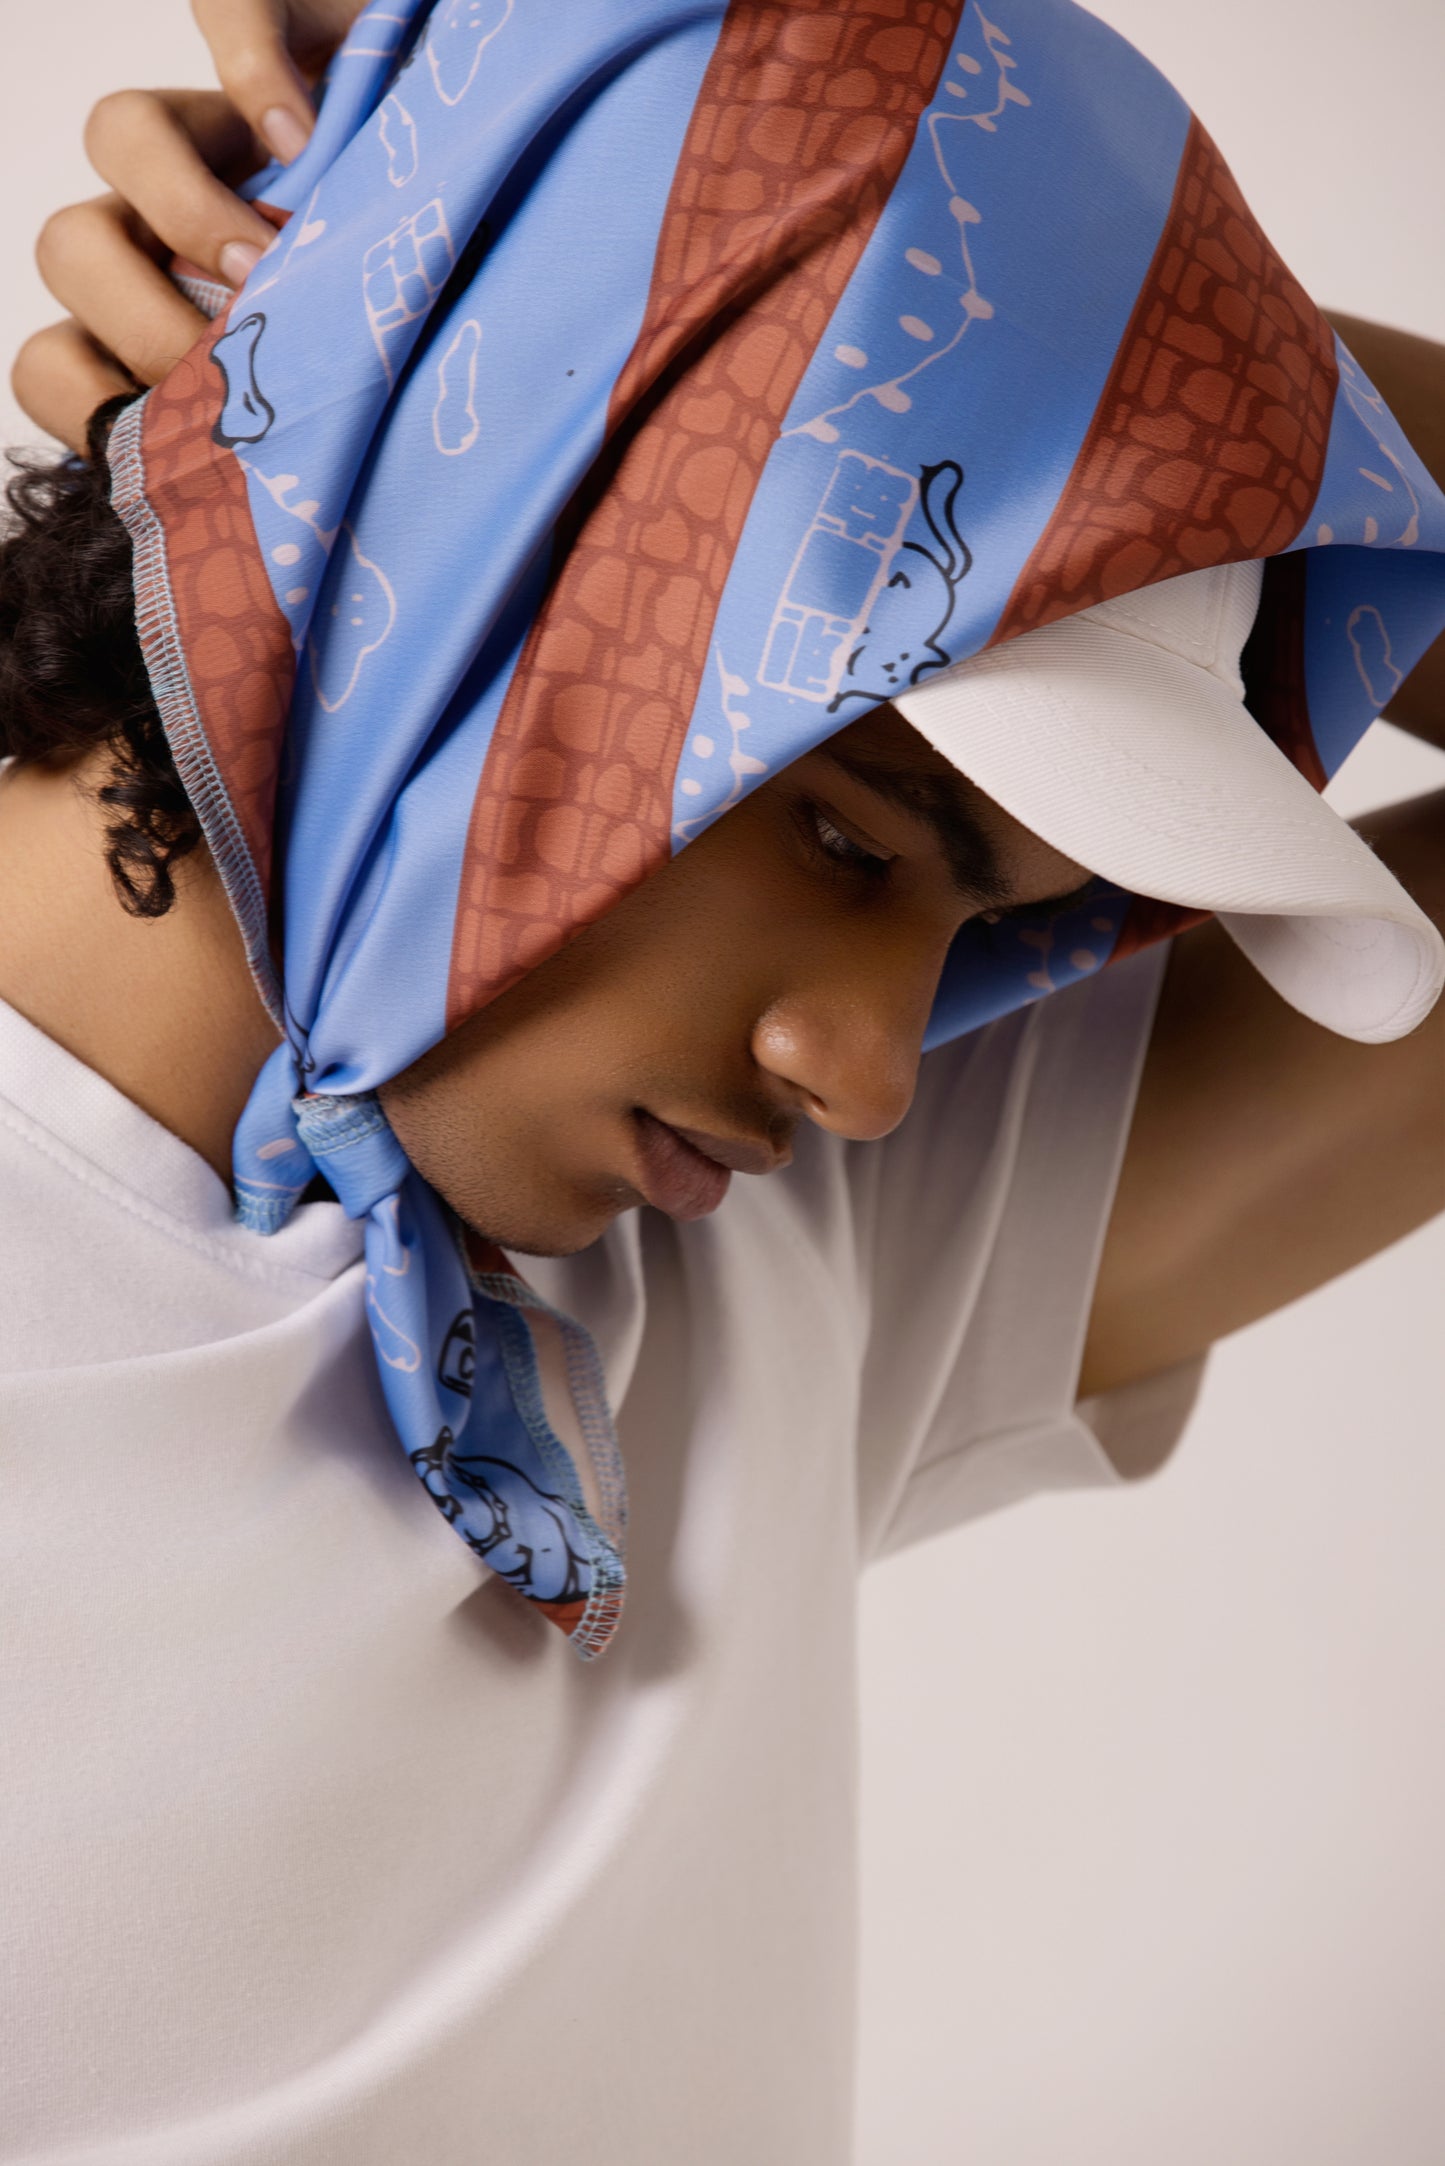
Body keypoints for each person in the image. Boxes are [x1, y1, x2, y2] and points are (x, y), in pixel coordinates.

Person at [1, 0, 1441, 2155]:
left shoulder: (751, 1246)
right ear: (478, 505)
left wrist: (1060, 295)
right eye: (847, 838)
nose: (865, 1072)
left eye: (977, 925)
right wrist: (565, 226)